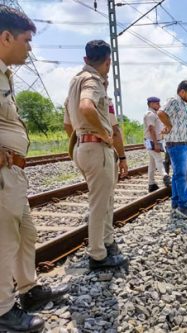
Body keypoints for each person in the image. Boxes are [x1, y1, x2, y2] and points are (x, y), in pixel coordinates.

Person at [0, 7, 69, 332]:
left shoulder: (5, 75)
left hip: (13, 172)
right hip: (3, 173)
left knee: (25, 233)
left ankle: (28, 290)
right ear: (6, 37)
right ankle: (3, 311)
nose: (30, 48)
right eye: (27, 41)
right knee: (4, 241)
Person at [64, 39, 128, 271]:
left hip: (83, 146)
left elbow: (67, 123)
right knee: (100, 203)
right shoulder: (92, 80)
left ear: (85, 58)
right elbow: (86, 107)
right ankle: (98, 255)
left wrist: (81, 140)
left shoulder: (75, 81)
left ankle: (108, 241)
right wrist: (103, 134)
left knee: (105, 198)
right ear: (108, 62)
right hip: (96, 147)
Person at [157, 80, 187, 219]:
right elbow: (161, 113)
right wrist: (169, 126)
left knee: (177, 176)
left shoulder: (183, 104)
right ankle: (183, 206)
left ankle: (175, 203)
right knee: (181, 176)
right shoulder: (174, 100)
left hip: (182, 143)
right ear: (182, 92)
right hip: (176, 144)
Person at [143, 96, 170, 192]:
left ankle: (151, 184)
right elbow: (151, 128)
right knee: (158, 159)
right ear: (151, 104)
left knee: (152, 163)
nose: (159, 105)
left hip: (153, 140)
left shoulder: (154, 114)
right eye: (157, 103)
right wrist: (156, 143)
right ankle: (165, 176)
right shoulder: (150, 114)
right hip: (151, 141)